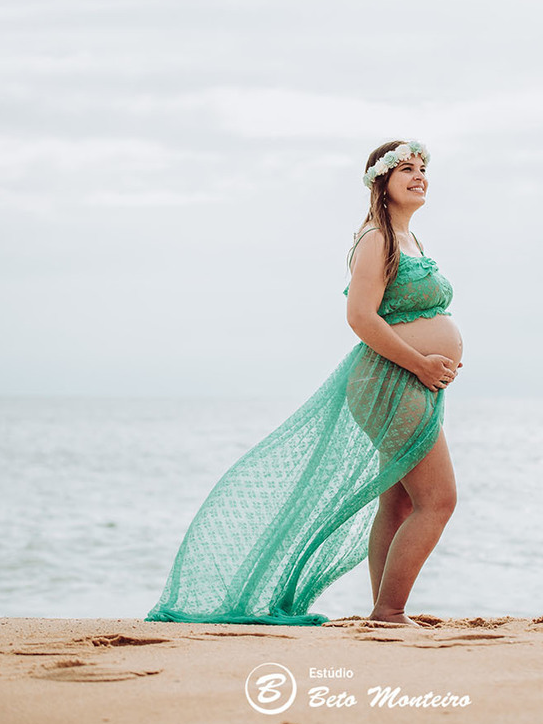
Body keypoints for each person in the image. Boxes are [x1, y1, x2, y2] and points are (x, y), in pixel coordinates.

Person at [145, 139, 461, 626]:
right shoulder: (378, 238)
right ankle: (390, 613)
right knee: (439, 500)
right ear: (382, 181)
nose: (419, 176)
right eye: (406, 169)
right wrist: (421, 364)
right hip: (392, 380)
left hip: (408, 384)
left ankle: (385, 610)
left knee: (399, 500)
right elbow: (359, 316)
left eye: (423, 169)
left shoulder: (409, 239)